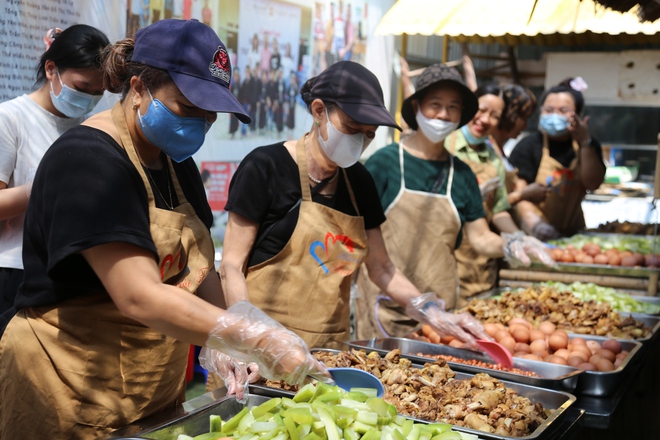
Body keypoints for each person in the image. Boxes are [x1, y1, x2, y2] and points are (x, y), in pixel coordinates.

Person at [0, 19, 330, 439]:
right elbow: (138, 295)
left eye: (209, 114)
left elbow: (200, 267)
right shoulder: (88, 159)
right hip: (71, 380)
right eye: (186, 108)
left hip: (147, 386)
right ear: (138, 87)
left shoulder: (176, 165)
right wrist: (252, 338)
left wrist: (226, 337)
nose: (200, 123)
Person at [210, 61, 494, 394]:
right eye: (352, 127)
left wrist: (429, 311)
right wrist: (250, 336)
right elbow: (231, 265)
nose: (360, 140)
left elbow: (382, 268)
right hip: (259, 354)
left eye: (369, 134)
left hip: (325, 355)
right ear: (319, 111)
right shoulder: (266, 167)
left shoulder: (360, 182)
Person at [355, 64, 552, 340]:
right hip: (385, 309)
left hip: (442, 314)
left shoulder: (461, 174)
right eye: (435, 104)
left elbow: (481, 237)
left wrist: (511, 242)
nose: (443, 114)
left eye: (453, 107)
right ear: (417, 107)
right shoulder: (385, 163)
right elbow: (358, 239)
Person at [0, 25, 109, 316]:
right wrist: (46, 187)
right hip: (15, 271)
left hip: (69, 273)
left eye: (97, 93)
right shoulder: (11, 118)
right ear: (51, 69)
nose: (88, 99)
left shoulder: (91, 127)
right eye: (83, 88)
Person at [445, 85, 552, 302]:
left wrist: (518, 239)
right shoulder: (446, 145)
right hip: (447, 255)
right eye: (481, 110)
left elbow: (499, 209)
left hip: (481, 259)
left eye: (495, 116)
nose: (485, 119)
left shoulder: (493, 155)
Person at [509, 77, 606, 240]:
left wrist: (585, 142)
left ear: (577, 114)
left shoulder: (587, 145)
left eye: (563, 110)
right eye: (549, 110)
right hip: (534, 236)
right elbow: (520, 195)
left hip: (574, 235)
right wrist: (537, 227)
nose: (555, 115)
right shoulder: (528, 146)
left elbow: (592, 183)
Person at [488, 84, 549, 207]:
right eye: (524, 118)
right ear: (510, 114)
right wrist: (523, 195)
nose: (525, 126)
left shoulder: (499, 150)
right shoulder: (486, 149)